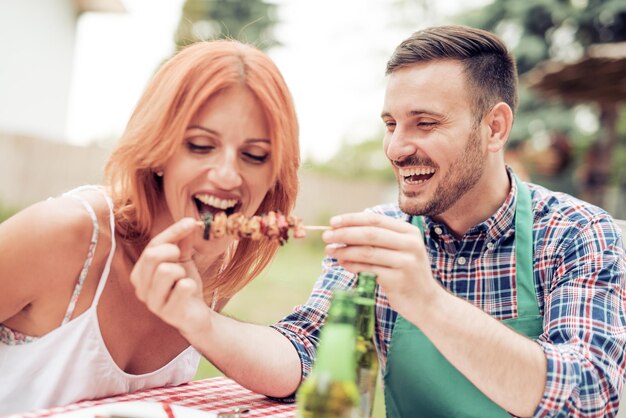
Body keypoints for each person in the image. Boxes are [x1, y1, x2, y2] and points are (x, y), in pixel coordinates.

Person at [131, 26, 626, 417]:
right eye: (391, 124)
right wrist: (198, 319)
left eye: (424, 123)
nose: (396, 147)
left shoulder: (575, 233)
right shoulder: (381, 232)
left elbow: (589, 396)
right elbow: (302, 357)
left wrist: (426, 301)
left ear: (494, 127)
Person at [0, 39, 299, 414]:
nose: (227, 175)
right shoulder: (63, 232)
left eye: (254, 155)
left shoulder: (213, 270)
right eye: (201, 146)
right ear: (159, 150)